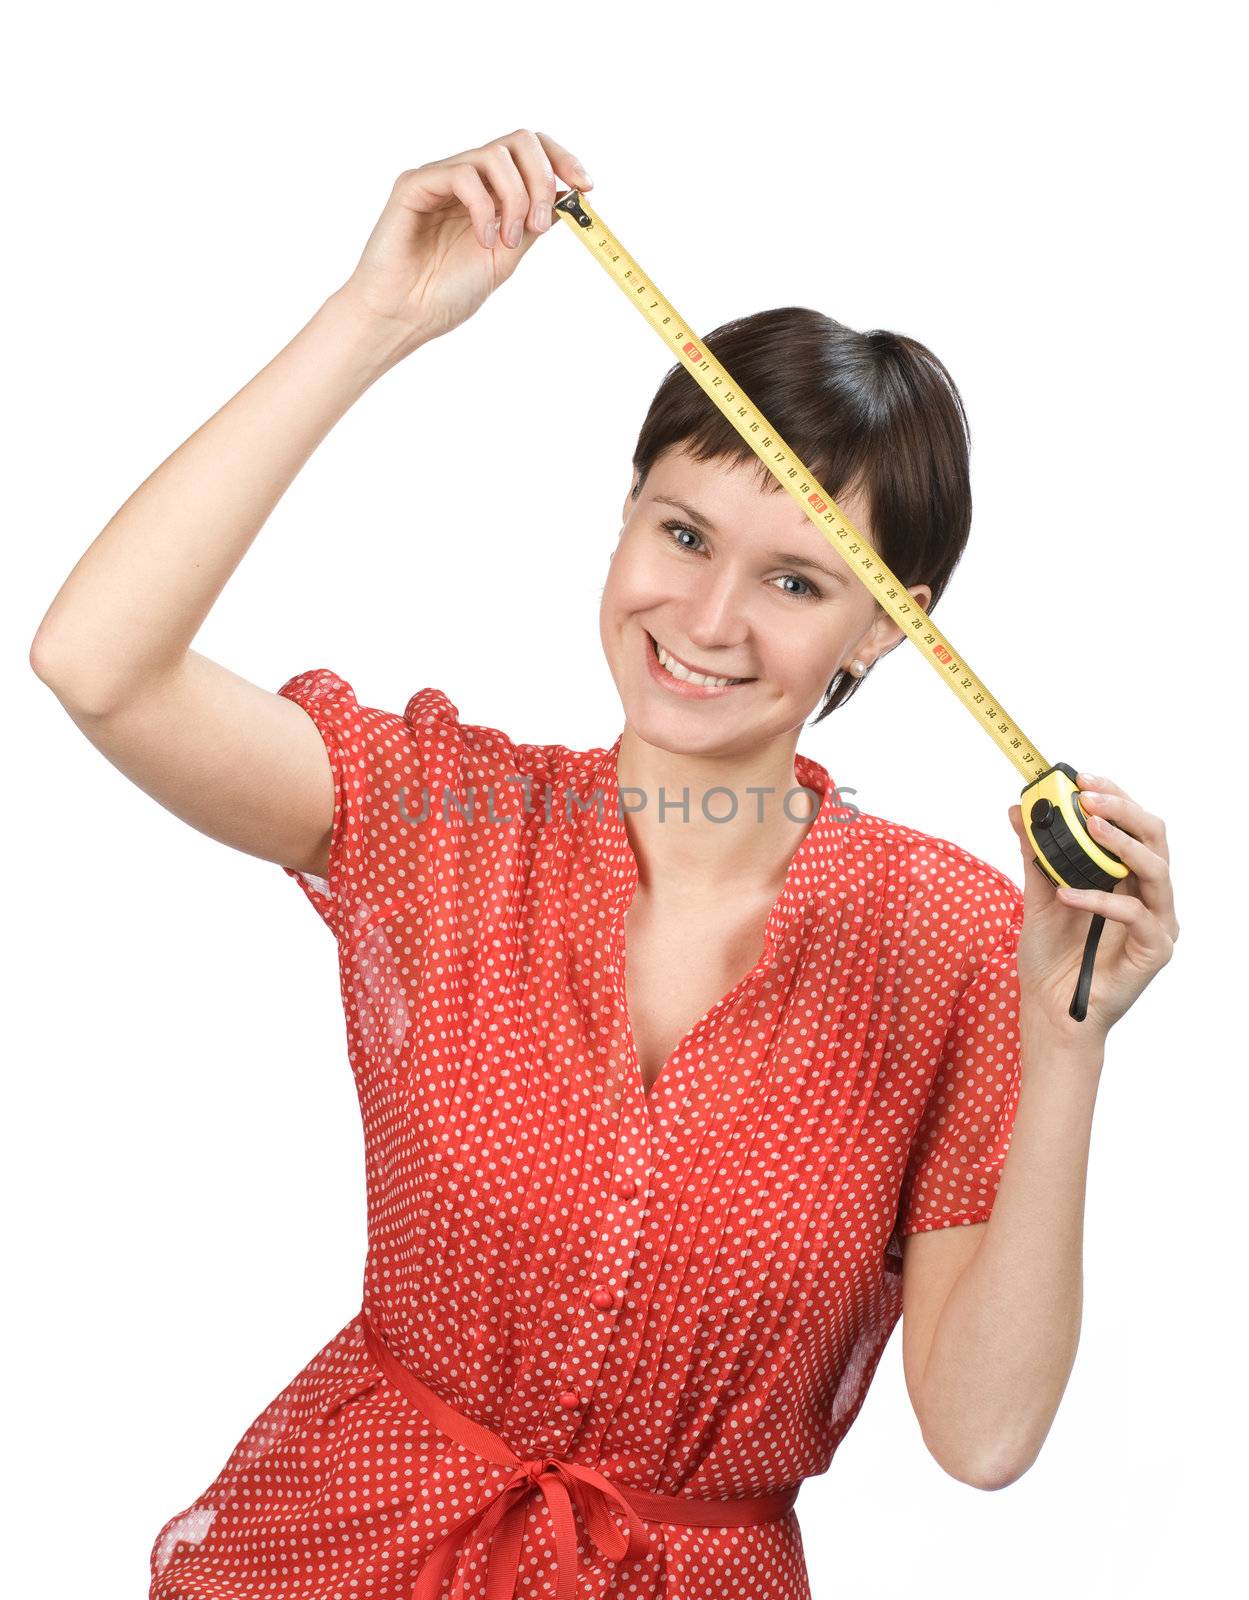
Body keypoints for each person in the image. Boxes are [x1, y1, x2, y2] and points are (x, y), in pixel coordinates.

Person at [30, 128, 1178, 1600]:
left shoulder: (955, 942)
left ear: (890, 624)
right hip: (343, 1548)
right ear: (623, 515)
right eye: (680, 532)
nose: (705, 618)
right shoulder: (437, 821)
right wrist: (374, 317)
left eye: (793, 578)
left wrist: (1068, 1039)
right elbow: (95, 662)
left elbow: (983, 1434)